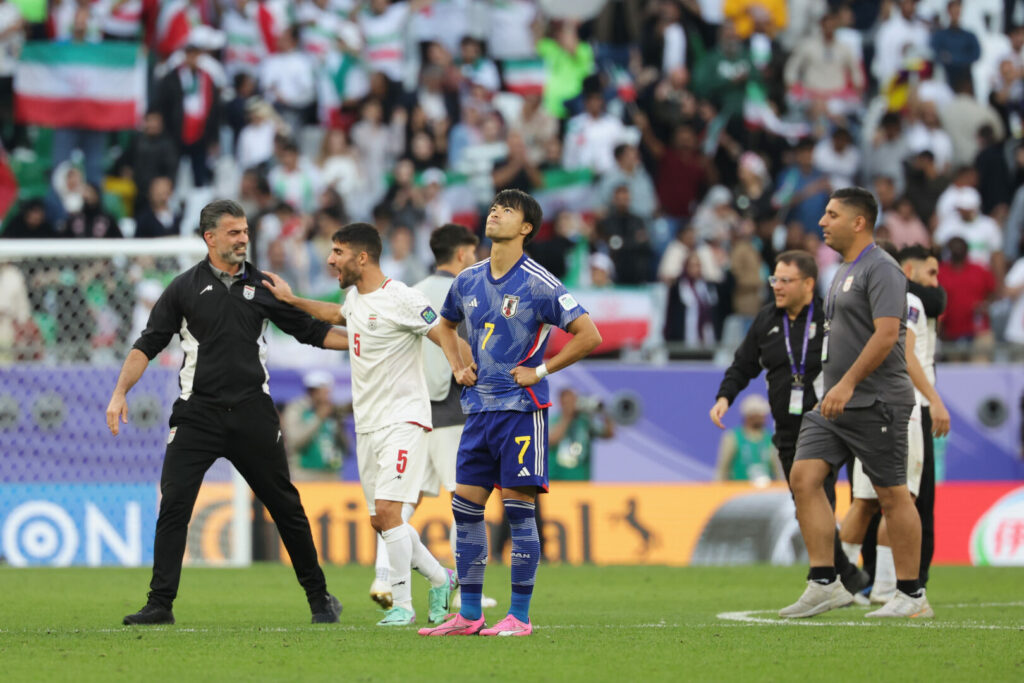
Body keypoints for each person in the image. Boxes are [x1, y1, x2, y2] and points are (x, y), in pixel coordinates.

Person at [105, 200, 345, 626]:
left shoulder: (265, 286)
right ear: (209, 237)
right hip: (197, 415)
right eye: (234, 232)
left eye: (245, 231)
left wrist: (366, 341)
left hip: (253, 413)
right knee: (174, 505)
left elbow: (311, 332)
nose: (243, 239)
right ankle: (160, 604)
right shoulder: (183, 288)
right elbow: (148, 344)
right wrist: (120, 392)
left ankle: (320, 599)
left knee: (286, 507)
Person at [420, 189, 602, 637]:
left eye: (506, 210)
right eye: (493, 207)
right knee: (465, 509)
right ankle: (469, 614)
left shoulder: (540, 283)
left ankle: (519, 615)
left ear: (525, 228)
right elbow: (444, 325)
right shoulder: (467, 280)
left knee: (519, 513)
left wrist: (540, 370)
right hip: (478, 411)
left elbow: (589, 335)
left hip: (521, 411)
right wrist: (457, 364)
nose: (495, 213)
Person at [261, 223, 459, 627]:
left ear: (362, 257)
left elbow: (441, 329)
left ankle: (402, 605)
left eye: (338, 252)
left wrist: (461, 367)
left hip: (404, 418)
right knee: (382, 520)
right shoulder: (354, 298)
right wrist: (292, 299)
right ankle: (441, 579)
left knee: (389, 511)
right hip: (367, 424)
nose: (330, 260)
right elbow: (337, 314)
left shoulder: (402, 297)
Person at [780, 187, 929, 619]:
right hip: (835, 403)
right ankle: (825, 583)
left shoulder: (882, 268)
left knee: (892, 495)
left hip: (876, 401)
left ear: (858, 222)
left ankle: (912, 595)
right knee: (804, 477)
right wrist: (832, 388)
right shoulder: (844, 268)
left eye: (831, 214)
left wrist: (845, 385)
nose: (822, 221)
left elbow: (887, 335)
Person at [710, 250, 868, 594]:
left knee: (822, 499)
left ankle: (829, 579)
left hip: (826, 426)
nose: (777, 286)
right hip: (786, 431)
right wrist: (724, 397)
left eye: (785, 280)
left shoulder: (831, 318)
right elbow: (743, 364)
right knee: (805, 506)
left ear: (808, 283)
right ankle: (848, 577)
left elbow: (856, 363)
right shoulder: (767, 319)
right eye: (774, 279)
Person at [367, 223, 488, 611]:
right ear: (461, 253)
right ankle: (467, 589)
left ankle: (383, 577)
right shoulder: (466, 291)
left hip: (414, 413)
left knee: (401, 504)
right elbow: (468, 348)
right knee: (465, 501)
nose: (476, 258)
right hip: (452, 411)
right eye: (473, 252)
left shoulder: (410, 292)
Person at [840, 244, 951, 603]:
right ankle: (888, 588)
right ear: (905, 270)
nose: (935, 283)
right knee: (902, 501)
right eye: (931, 273)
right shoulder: (909, 301)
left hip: (867, 406)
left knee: (864, 502)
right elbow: (906, 353)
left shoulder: (860, 302)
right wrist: (934, 399)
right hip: (906, 407)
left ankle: (834, 582)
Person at [281, 370, 352, 482]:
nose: (327, 395)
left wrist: (339, 423)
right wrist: (318, 418)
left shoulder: (331, 410)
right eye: (324, 391)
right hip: (305, 475)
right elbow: (294, 441)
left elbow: (346, 448)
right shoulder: (296, 409)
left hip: (331, 475)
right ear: (312, 391)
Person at [549, 388, 615, 482]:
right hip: (558, 480)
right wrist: (567, 417)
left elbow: (609, 434)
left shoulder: (585, 422)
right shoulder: (554, 420)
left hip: (581, 480)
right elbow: (552, 440)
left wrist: (605, 412)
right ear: (561, 403)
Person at [713, 395, 780, 484]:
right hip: (739, 490)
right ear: (750, 416)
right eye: (760, 414)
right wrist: (718, 488)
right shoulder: (732, 438)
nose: (764, 417)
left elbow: (778, 471)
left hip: (766, 491)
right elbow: (722, 470)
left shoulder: (771, 440)